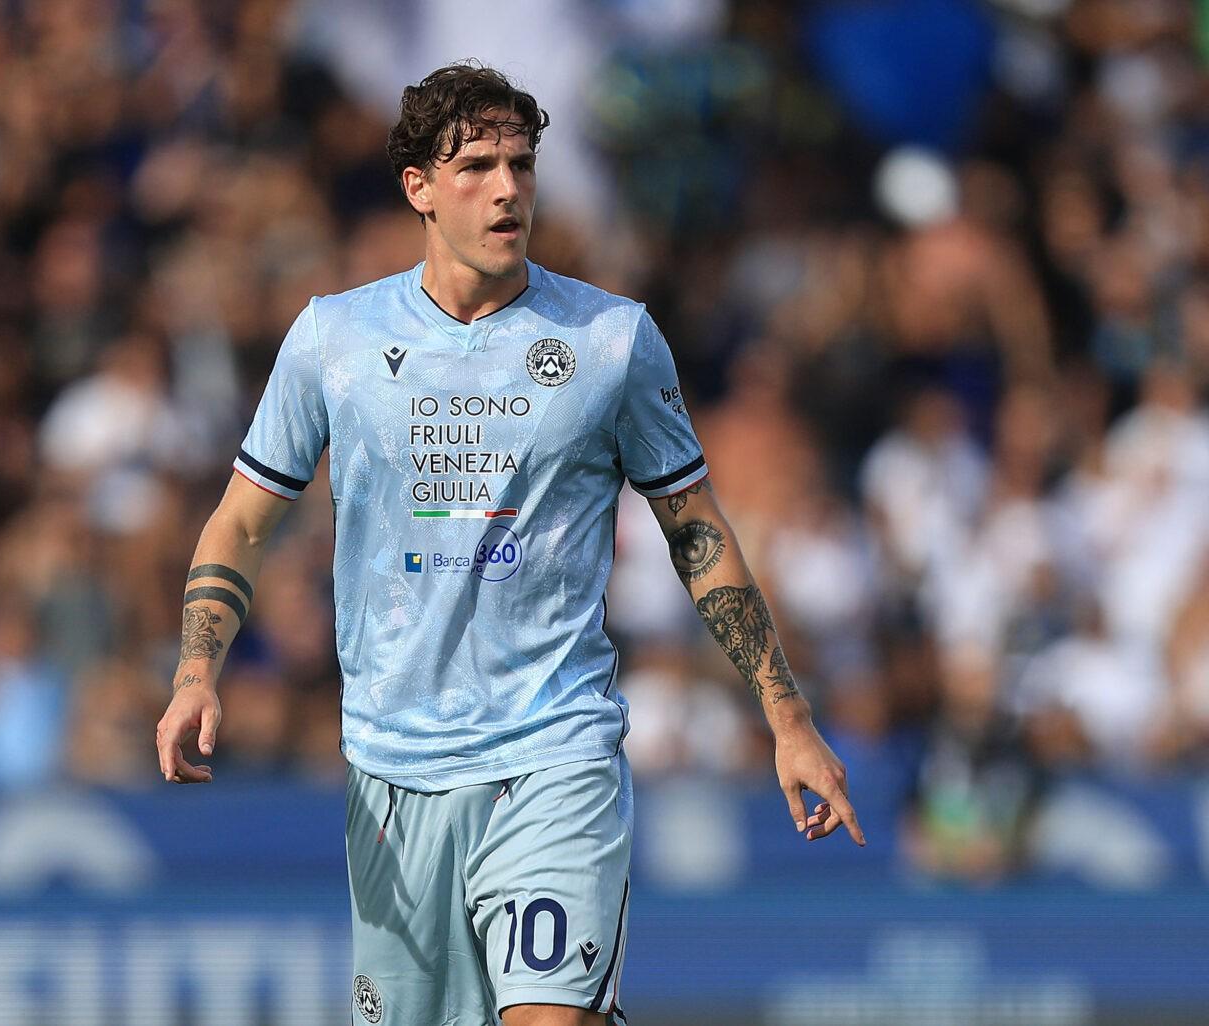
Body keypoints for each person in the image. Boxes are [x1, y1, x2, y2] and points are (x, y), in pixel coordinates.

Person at [155, 62, 865, 1026]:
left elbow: (697, 530)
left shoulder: (612, 340)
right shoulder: (335, 339)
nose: (507, 189)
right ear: (419, 188)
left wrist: (787, 717)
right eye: (478, 167)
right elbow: (242, 519)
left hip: (553, 752)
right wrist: (196, 671)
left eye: (522, 165)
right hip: (393, 769)